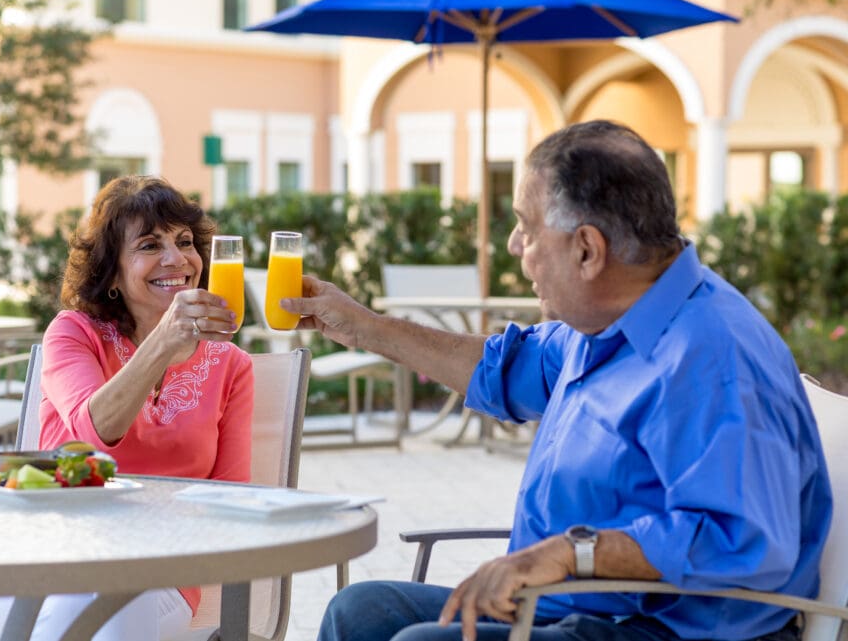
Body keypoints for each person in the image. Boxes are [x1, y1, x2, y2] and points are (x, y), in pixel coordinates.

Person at [283, 121, 831, 641]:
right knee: (361, 612)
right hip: (572, 608)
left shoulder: (713, 358)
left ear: (587, 250)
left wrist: (573, 552)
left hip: (665, 628)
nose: (516, 247)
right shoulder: (605, 326)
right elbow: (500, 369)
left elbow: (744, 542)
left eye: (526, 226)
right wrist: (364, 328)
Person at [0, 175, 254, 641]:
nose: (176, 259)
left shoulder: (232, 367)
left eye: (185, 241)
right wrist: (165, 339)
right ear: (111, 272)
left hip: (161, 577)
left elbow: (233, 508)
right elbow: (88, 439)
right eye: (150, 245)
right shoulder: (73, 334)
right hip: (50, 551)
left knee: (111, 592)